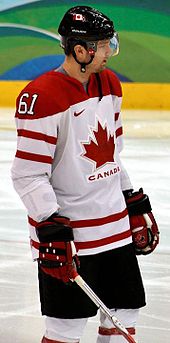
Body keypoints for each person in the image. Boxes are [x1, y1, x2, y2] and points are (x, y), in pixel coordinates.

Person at [11, 6, 159, 343]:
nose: (111, 51)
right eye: (104, 45)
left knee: (125, 314)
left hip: (114, 229)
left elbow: (112, 157)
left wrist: (130, 201)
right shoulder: (42, 96)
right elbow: (27, 174)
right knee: (66, 327)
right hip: (72, 236)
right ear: (81, 50)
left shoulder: (109, 83)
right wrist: (50, 225)